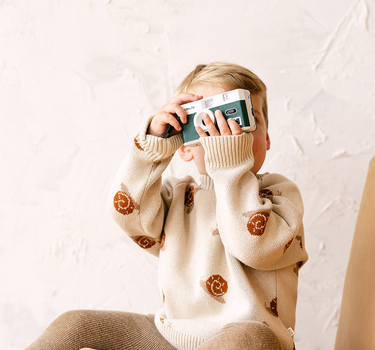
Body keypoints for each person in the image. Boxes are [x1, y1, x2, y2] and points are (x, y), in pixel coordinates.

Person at [25, 62, 308, 350]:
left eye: (246, 118)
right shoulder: (176, 196)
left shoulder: (279, 195)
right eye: (210, 122)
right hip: (173, 336)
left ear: (268, 139)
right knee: (75, 325)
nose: (229, 131)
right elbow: (127, 212)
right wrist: (153, 147)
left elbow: (254, 248)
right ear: (183, 145)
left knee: (250, 339)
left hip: (251, 339)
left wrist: (232, 169)